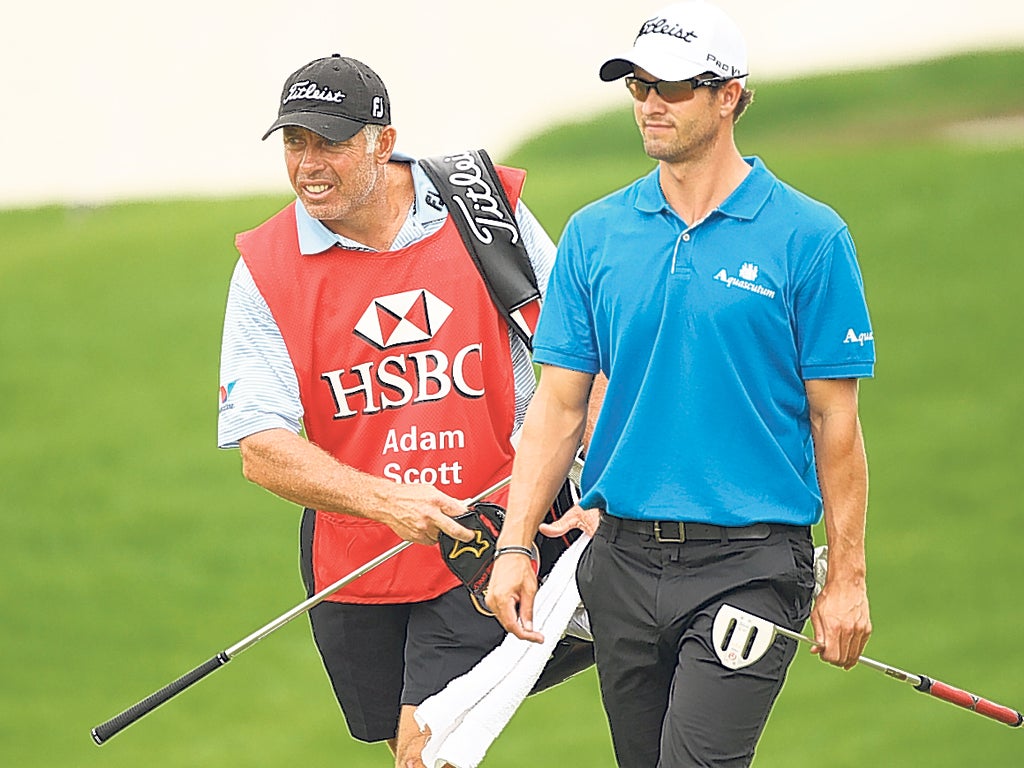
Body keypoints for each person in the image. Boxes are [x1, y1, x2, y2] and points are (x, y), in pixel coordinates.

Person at [487, 2, 875, 766]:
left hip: (753, 567)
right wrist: (514, 544)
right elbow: (560, 407)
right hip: (622, 563)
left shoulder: (810, 237)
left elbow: (837, 425)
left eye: (672, 87)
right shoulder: (596, 234)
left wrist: (849, 580)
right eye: (637, 85)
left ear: (729, 95)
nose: (650, 103)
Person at [217, 54, 579, 767]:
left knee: (427, 749)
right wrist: (383, 501)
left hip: (488, 534)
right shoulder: (266, 264)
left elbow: (580, 356)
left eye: (330, 142)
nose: (309, 165)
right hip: (357, 553)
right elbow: (258, 444)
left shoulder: (482, 206)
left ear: (383, 141)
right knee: (399, 745)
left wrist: (599, 485)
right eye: (295, 142)